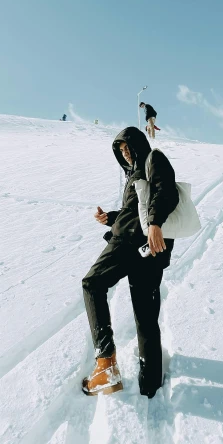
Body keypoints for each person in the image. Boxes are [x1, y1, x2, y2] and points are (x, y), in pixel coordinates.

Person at [81, 126, 179, 398]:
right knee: (145, 317)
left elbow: (167, 192)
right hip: (147, 249)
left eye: (128, 148)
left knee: (92, 284)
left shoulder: (153, 160)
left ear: (139, 145)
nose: (125, 154)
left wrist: (155, 222)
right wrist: (111, 218)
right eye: (121, 151)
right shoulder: (134, 174)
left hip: (133, 243)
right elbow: (135, 211)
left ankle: (105, 367)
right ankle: (151, 384)